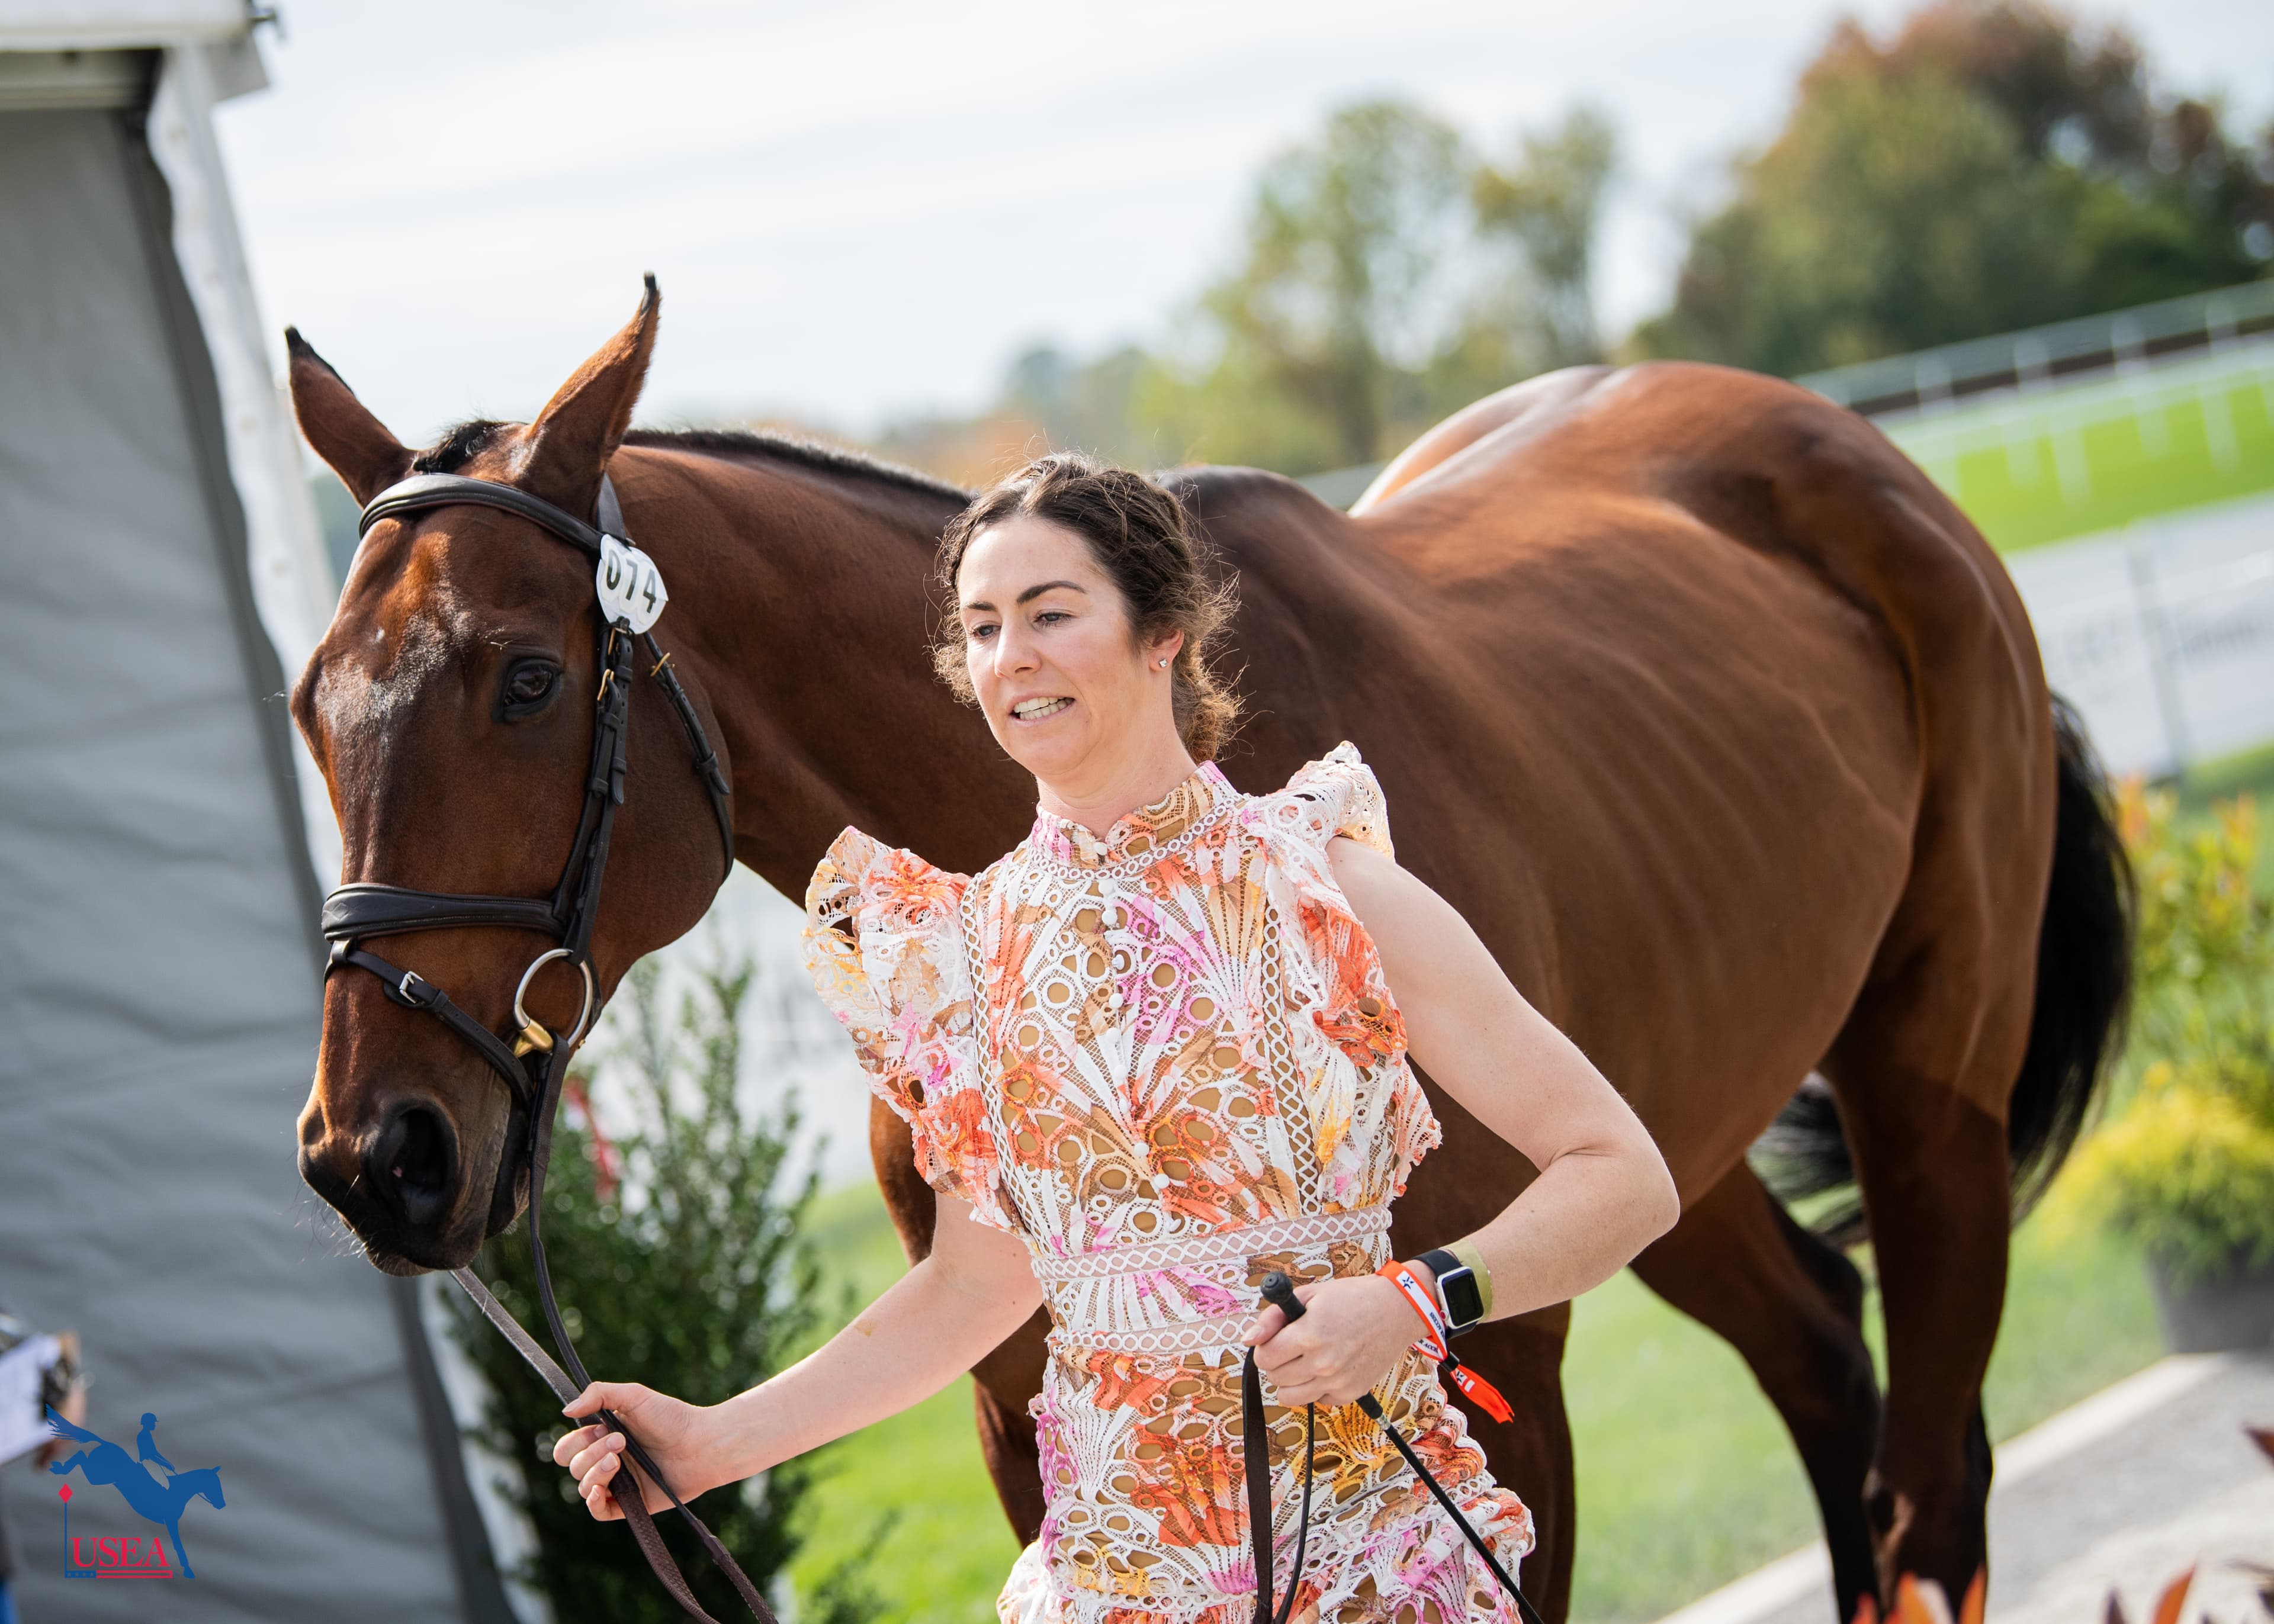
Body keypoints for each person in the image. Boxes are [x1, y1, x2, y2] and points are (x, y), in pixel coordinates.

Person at [554, 453, 1680, 1623]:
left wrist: (1414, 1299)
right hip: (1117, 1584)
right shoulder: (958, 957)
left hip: (1373, 1564)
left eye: (1051, 613)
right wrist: (706, 1442)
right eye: (983, 627)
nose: (1013, 658)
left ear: (1165, 633)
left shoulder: (1332, 890)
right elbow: (973, 1288)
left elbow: (1621, 1176)